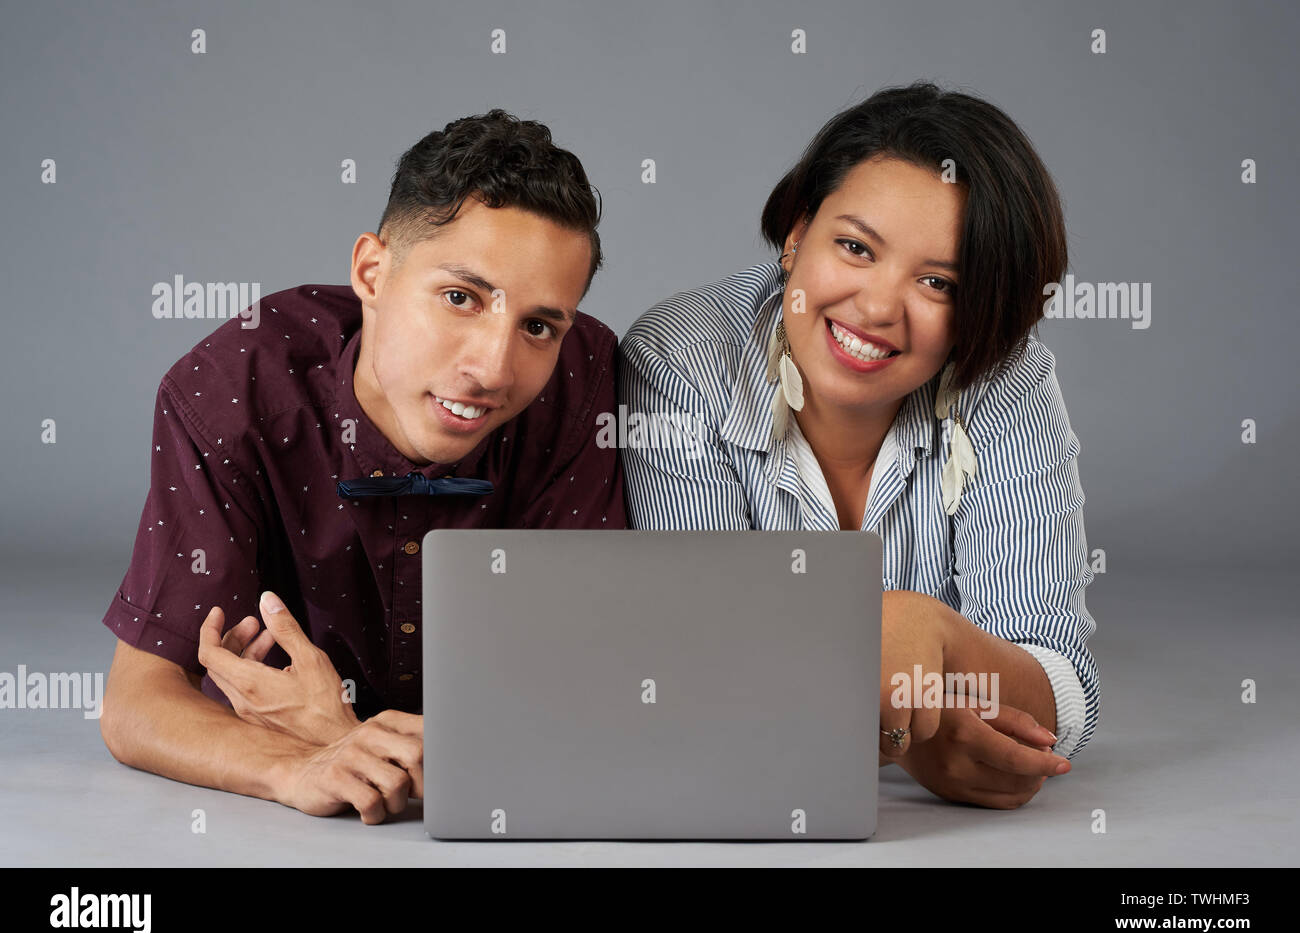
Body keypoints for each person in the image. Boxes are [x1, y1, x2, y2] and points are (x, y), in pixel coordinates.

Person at [100, 109, 627, 824]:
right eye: (460, 298)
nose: (493, 369)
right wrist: (299, 765)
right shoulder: (231, 390)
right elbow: (137, 702)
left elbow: (587, 688)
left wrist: (344, 735)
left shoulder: (584, 381)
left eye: (538, 325)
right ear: (372, 272)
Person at [619, 81, 1098, 810]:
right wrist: (918, 729)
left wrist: (923, 625)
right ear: (795, 235)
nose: (876, 308)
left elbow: (1061, 689)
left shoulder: (1008, 378)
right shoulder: (682, 357)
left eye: (937, 282)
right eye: (854, 247)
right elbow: (703, 647)